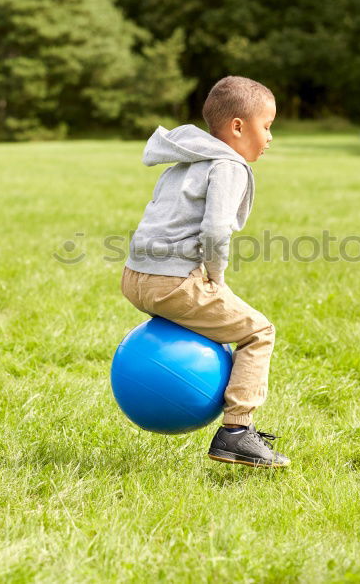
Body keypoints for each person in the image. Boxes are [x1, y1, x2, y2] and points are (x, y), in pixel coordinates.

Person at [120, 75, 289, 468]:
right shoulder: (228, 166)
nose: (269, 137)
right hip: (173, 282)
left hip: (134, 277)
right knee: (258, 332)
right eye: (267, 126)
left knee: (221, 319)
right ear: (237, 127)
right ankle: (236, 433)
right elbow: (215, 230)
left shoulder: (185, 161)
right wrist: (216, 275)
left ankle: (236, 434)